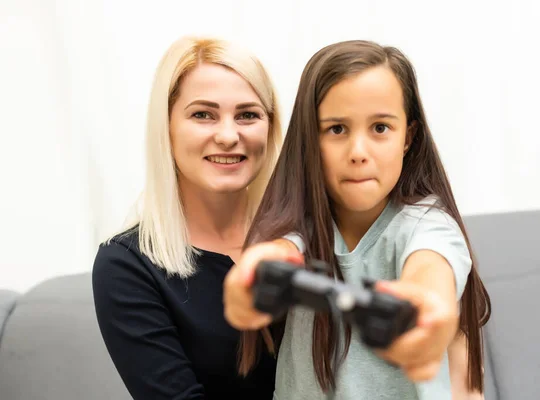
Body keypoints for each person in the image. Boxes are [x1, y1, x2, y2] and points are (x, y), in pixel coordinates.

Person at [223, 40, 492, 400]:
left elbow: (432, 270)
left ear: (408, 138)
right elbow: (276, 252)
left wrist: (427, 303)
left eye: (380, 128)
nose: (358, 153)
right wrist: (251, 275)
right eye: (337, 129)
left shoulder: (427, 224)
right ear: (309, 140)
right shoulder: (299, 227)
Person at [91, 35, 288, 399]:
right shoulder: (127, 264)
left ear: (270, 127)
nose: (229, 136)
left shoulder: (304, 239)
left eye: (248, 114)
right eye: (203, 115)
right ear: (166, 127)